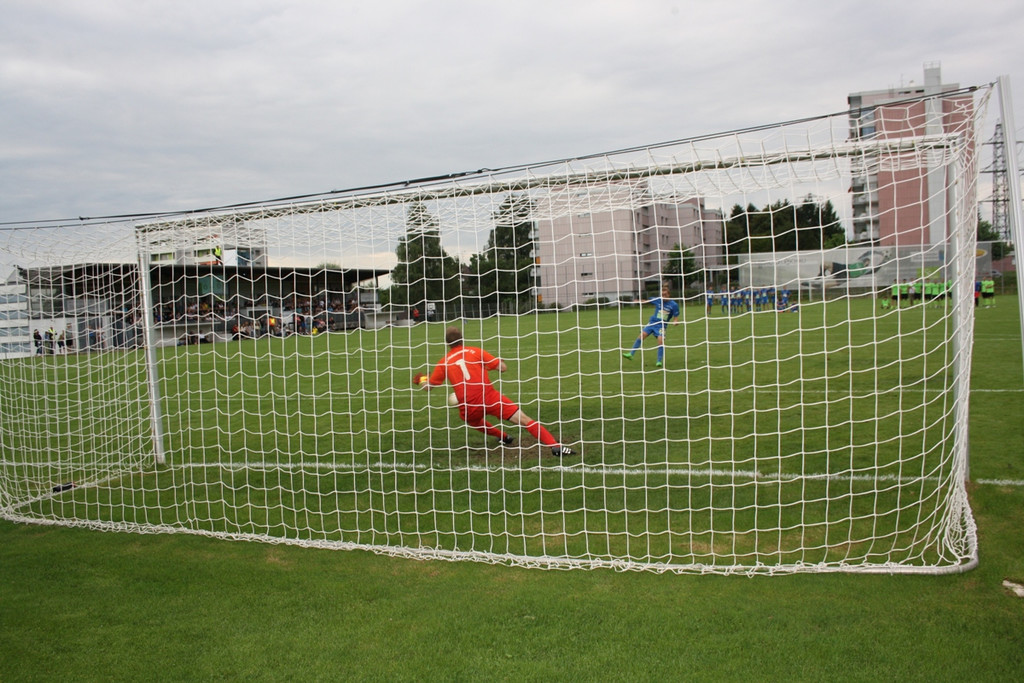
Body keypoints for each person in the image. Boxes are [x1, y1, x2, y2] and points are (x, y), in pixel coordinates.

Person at [417, 326, 576, 457]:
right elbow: (503, 368)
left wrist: (421, 379)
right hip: (490, 398)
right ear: (462, 339)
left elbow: (428, 387)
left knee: (472, 421)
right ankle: (555, 446)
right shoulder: (475, 351)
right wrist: (498, 362)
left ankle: (504, 436)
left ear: (447, 343)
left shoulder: (443, 362)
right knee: (524, 419)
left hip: (469, 407)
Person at [623, 283, 680, 368]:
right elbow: (646, 301)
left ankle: (659, 361)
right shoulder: (658, 300)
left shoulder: (674, 305)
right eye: (662, 295)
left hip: (661, 326)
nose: (663, 296)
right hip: (652, 323)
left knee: (660, 341)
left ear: (669, 294)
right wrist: (639, 301)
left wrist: (675, 322)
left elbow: (676, 317)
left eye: (665, 295)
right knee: (641, 336)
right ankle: (631, 354)